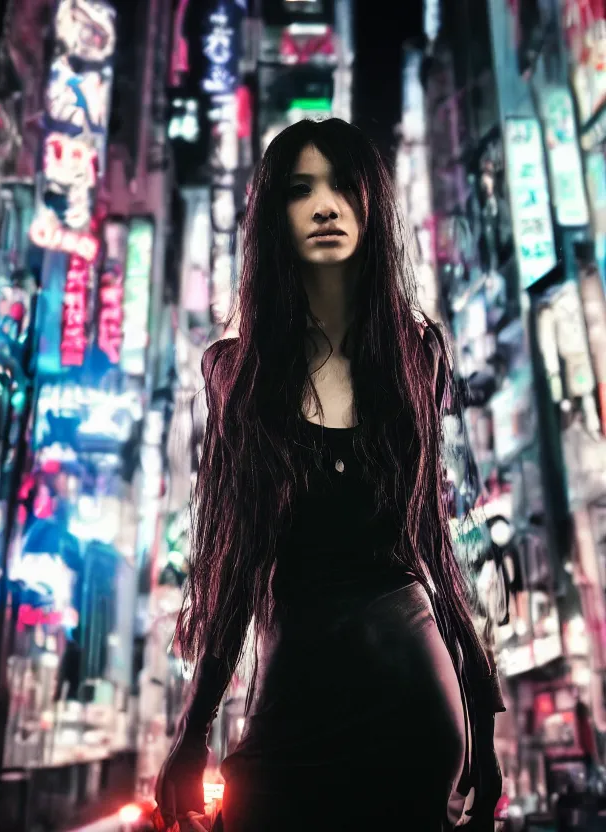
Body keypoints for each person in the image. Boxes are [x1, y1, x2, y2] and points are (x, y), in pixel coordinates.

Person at [154, 118, 505, 832]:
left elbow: (432, 545)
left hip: (412, 683)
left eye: (344, 185)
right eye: (299, 190)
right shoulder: (236, 373)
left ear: (372, 203)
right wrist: (195, 729)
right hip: (295, 691)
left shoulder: (416, 352)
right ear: (271, 219)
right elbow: (234, 556)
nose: (325, 205)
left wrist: (484, 718)